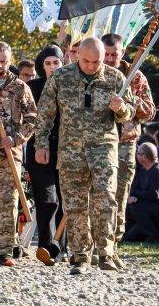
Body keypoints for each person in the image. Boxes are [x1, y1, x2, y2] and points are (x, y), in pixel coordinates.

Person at [34, 37, 134, 275]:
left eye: (96, 61)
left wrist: (121, 107)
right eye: (86, 61)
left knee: (106, 199)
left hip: (103, 148)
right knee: (75, 204)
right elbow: (45, 114)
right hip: (71, 150)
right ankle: (80, 255)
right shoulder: (61, 77)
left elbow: (129, 114)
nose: (91, 66)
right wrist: (41, 144)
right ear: (77, 55)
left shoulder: (115, 78)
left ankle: (106, 252)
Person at [0, 41, 37, 266]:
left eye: (3, 61)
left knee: (8, 201)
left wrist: (17, 138)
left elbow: (32, 117)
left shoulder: (20, 87)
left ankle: (4, 250)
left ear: (10, 61)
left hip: (9, 152)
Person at [102, 33, 156, 269]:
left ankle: (113, 245)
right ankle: (93, 246)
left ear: (122, 53)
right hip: (98, 142)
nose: (112, 59)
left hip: (125, 142)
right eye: (108, 54)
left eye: (116, 54)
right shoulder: (93, 72)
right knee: (98, 194)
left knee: (120, 194)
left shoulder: (135, 75)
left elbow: (150, 110)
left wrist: (129, 103)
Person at [25, 45, 65, 264]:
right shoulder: (32, 87)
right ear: (41, 66)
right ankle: (46, 245)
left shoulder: (70, 86)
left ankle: (62, 246)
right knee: (47, 199)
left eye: (56, 62)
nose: (52, 67)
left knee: (65, 198)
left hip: (67, 150)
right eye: (48, 63)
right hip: (39, 151)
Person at [123, 142, 159, 242]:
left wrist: (136, 196)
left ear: (144, 157)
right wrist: (132, 196)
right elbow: (134, 189)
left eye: (138, 153)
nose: (136, 155)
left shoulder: (157, 170)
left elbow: (154, 195)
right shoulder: (144, 170)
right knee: (131, 235)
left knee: (136, 206)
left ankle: (155, 238)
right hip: (153, 208)